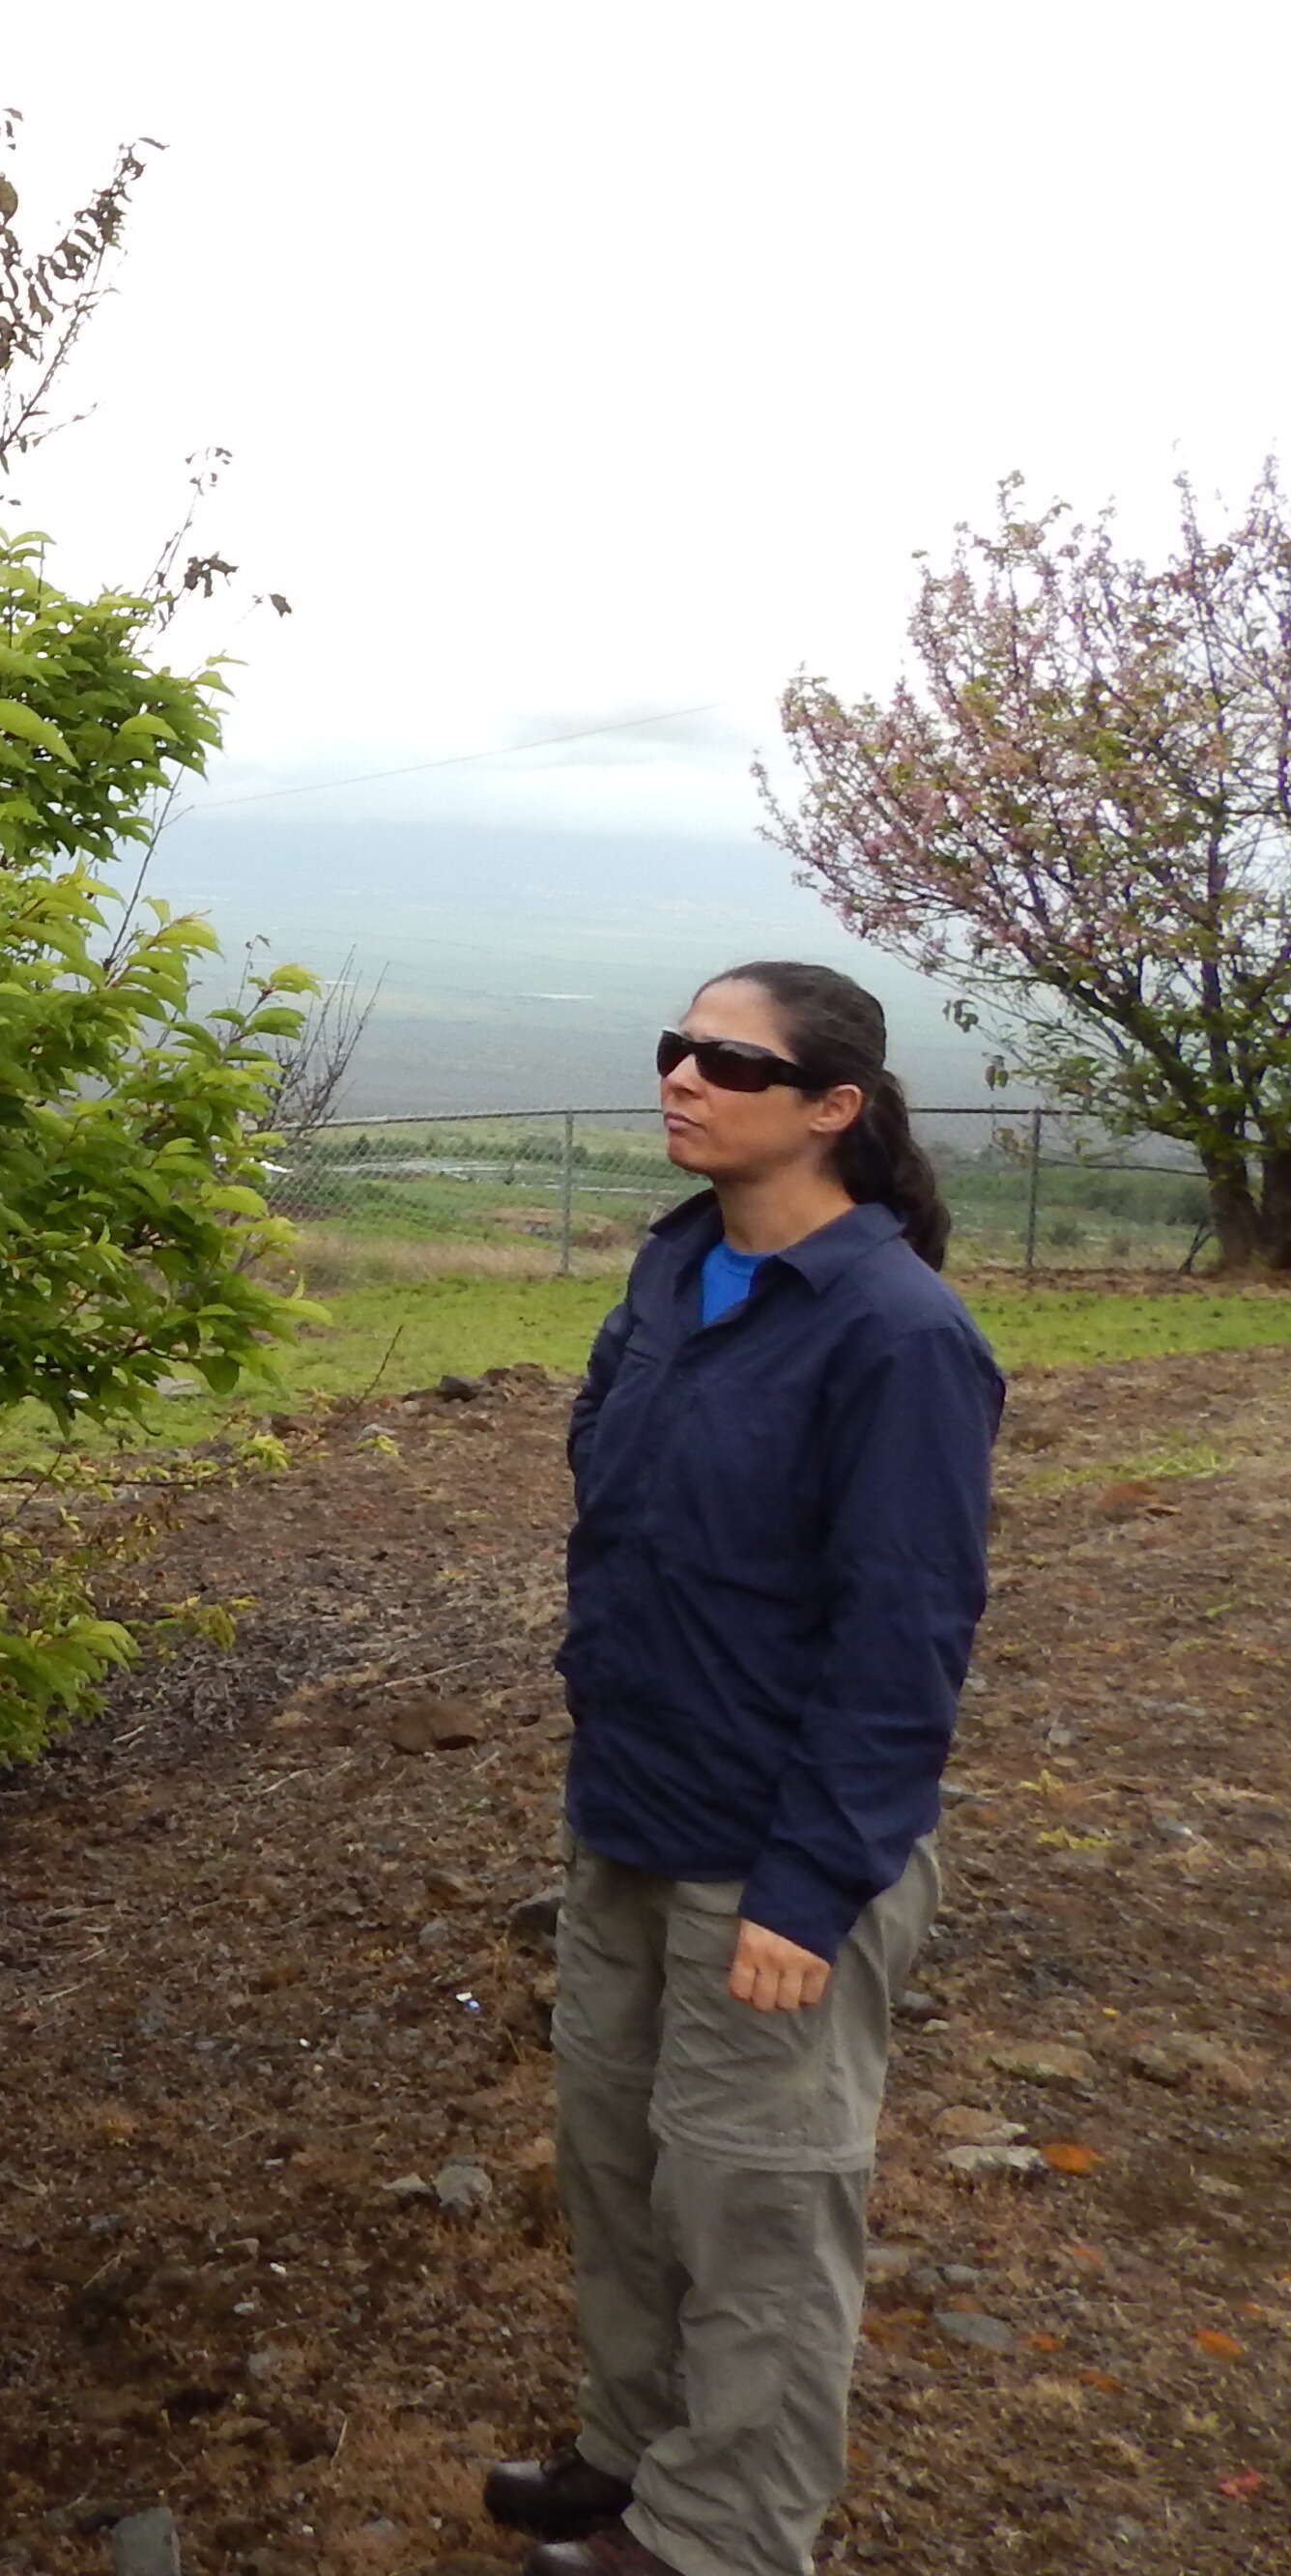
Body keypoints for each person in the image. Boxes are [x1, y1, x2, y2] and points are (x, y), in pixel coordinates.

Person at [480, 961, 1000, 2576]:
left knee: (760, 2209)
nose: (681, 1077)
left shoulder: (898, 1336)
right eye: (674, 1048)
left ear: (832, 1109)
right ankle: (638, 2454)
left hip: (773, 1859)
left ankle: (724, 2536)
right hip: (634, 1811)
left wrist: (811, 1884)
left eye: (726, 1059)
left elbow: (902, 1635)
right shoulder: (677, 1269)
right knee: (624, 2168)